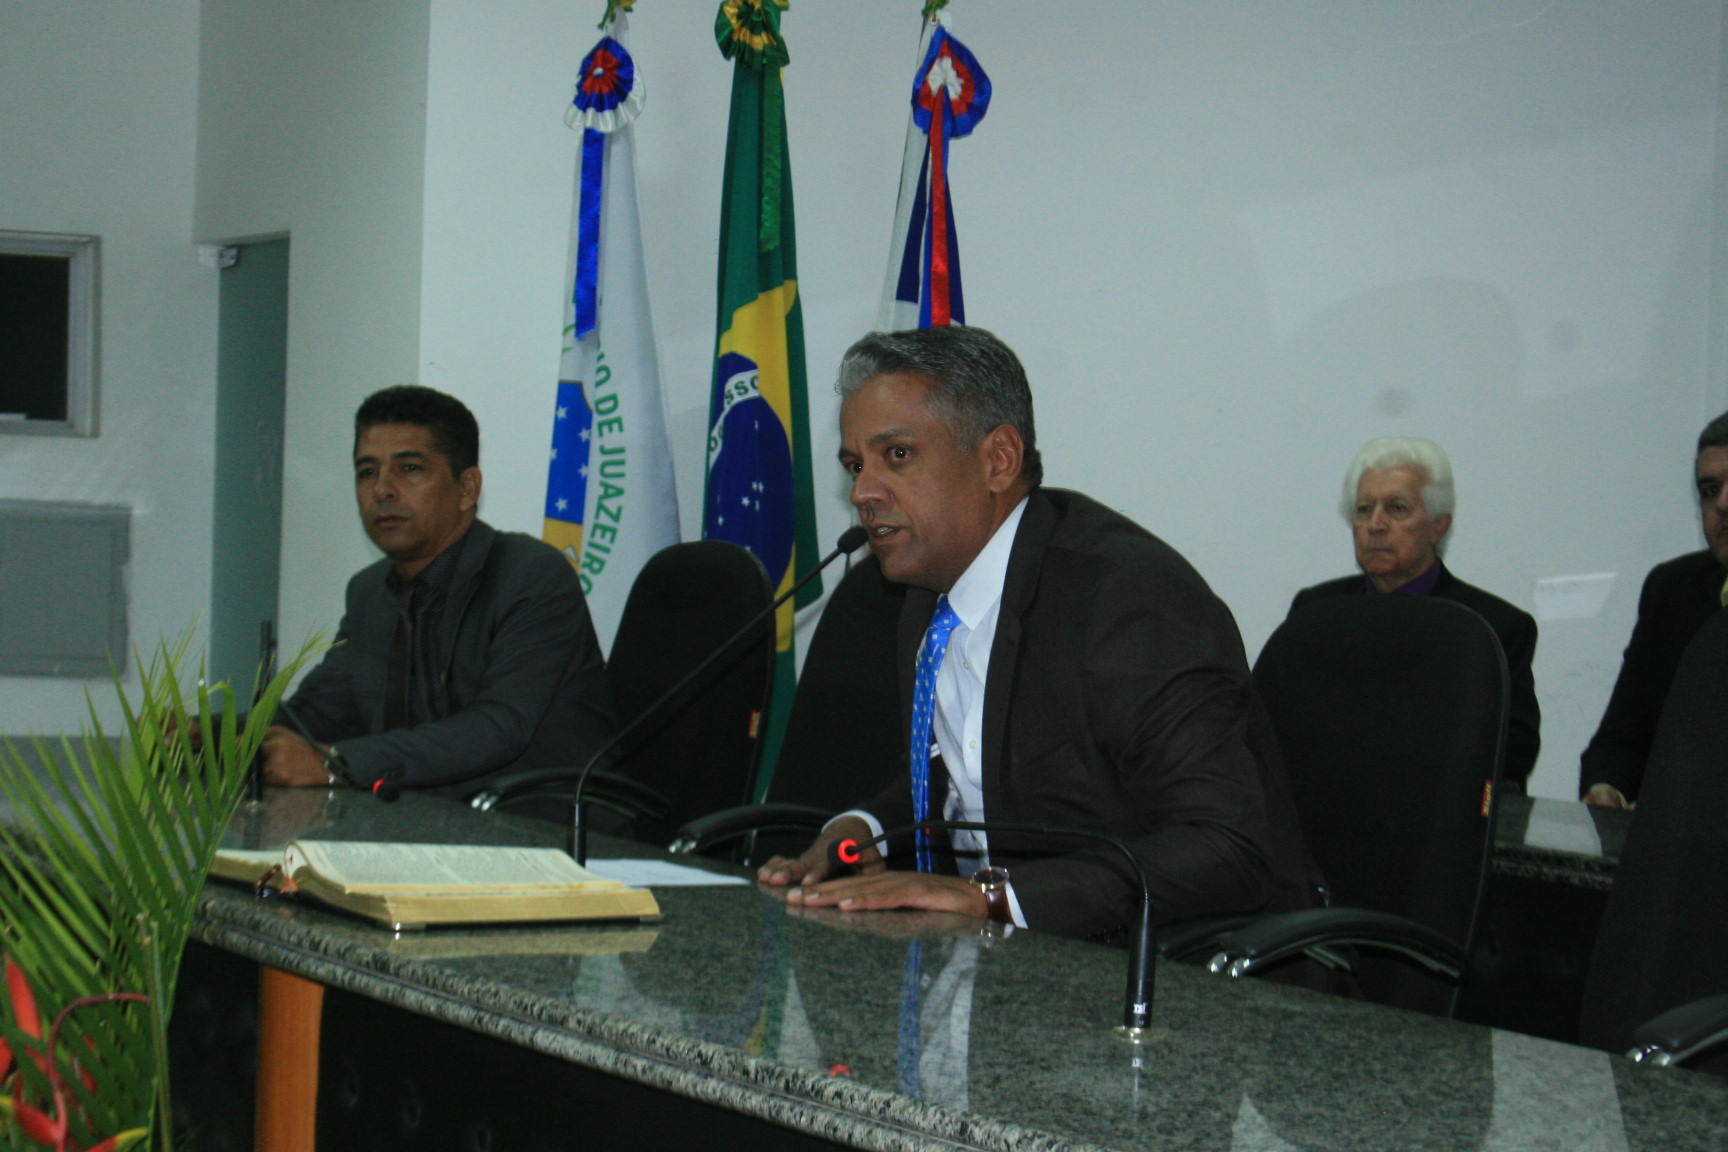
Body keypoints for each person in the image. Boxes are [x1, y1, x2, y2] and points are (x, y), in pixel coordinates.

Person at [757, 326, 1317, 940]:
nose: (862, 492)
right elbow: (974, 774)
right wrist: (863, 828)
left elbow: (1227, 846)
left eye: (897, 455)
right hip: (1006, 963)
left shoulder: (1127, 601)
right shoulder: (926, 594)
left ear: (999, 459)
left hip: (1178, 965)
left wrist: (990, 900)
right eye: (853, 464)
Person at [262, 385, 615, 796]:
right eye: (367, 471)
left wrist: (336, 765)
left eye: (409, 469)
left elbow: (496, 729)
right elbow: (316, 714)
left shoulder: (530, 576)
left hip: (540, 828)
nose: (382, 490)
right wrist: (205, 738)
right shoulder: (369, 592)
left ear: (467, 489)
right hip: (413, 826)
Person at [1289, 438, 1541, 791]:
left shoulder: (1492, 626)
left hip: (1437, 818)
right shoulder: (1317, 612)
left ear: (1438, 525)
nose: (1375, 524)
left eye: (1397, 508)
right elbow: (1274, 723)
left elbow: (1513, 749)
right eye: (1364, 509)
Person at [1579, 410, 1728, 808]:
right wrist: (1607, 787)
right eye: (1710, 489)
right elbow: (1620, 739)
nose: (1723, 504)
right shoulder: (1673, 590)